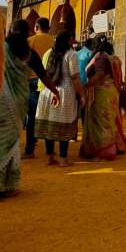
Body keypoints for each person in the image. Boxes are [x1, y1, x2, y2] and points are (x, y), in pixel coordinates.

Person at [0, 24, 59, 197]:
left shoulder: (3, 49)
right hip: (16, 104)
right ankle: (6, 186)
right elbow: (43, 75)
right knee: (9, 143)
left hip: (2, 99)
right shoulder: (29, 54)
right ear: (27, 35)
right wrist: (55, 91)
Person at [34, 31, 85, 167]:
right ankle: (63, 159)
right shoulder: (71, 54)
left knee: (50, 124)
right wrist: (81, 94)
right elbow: (74, 77)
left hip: (49, 90)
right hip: (65, 91)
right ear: (69, 40)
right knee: (65, 125)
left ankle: (50, 157)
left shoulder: (51, 52)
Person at [80, 38, 126, 160]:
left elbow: (100, 74)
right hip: (112, 91)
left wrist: (87, 85)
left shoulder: (100, 57)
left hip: (101, 92)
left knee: (100, 121)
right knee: (111, 120)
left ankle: (102, 150)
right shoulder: (114, 59)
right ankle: (115, 146)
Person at [24, 17, 54, 158]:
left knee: (32, 116)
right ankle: (50, 150)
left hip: (32, 80)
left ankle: (30, 150)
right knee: (48, 115)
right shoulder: (54, 41)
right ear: (48, 27)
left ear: (36, 27)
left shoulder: (30, 41)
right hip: (49, 81)